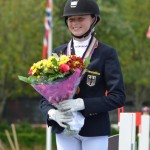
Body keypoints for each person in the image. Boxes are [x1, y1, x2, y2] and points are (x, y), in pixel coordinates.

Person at [40, 0, 126, 149]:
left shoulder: (106, 53)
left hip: (94, 128)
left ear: (94, 19)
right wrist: (52, 113)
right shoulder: (58, 53)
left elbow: (118, 97)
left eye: (81, 18)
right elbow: (45, 97)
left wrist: (82, 104)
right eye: (71, 19)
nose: (75, 23)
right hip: (64, 128)